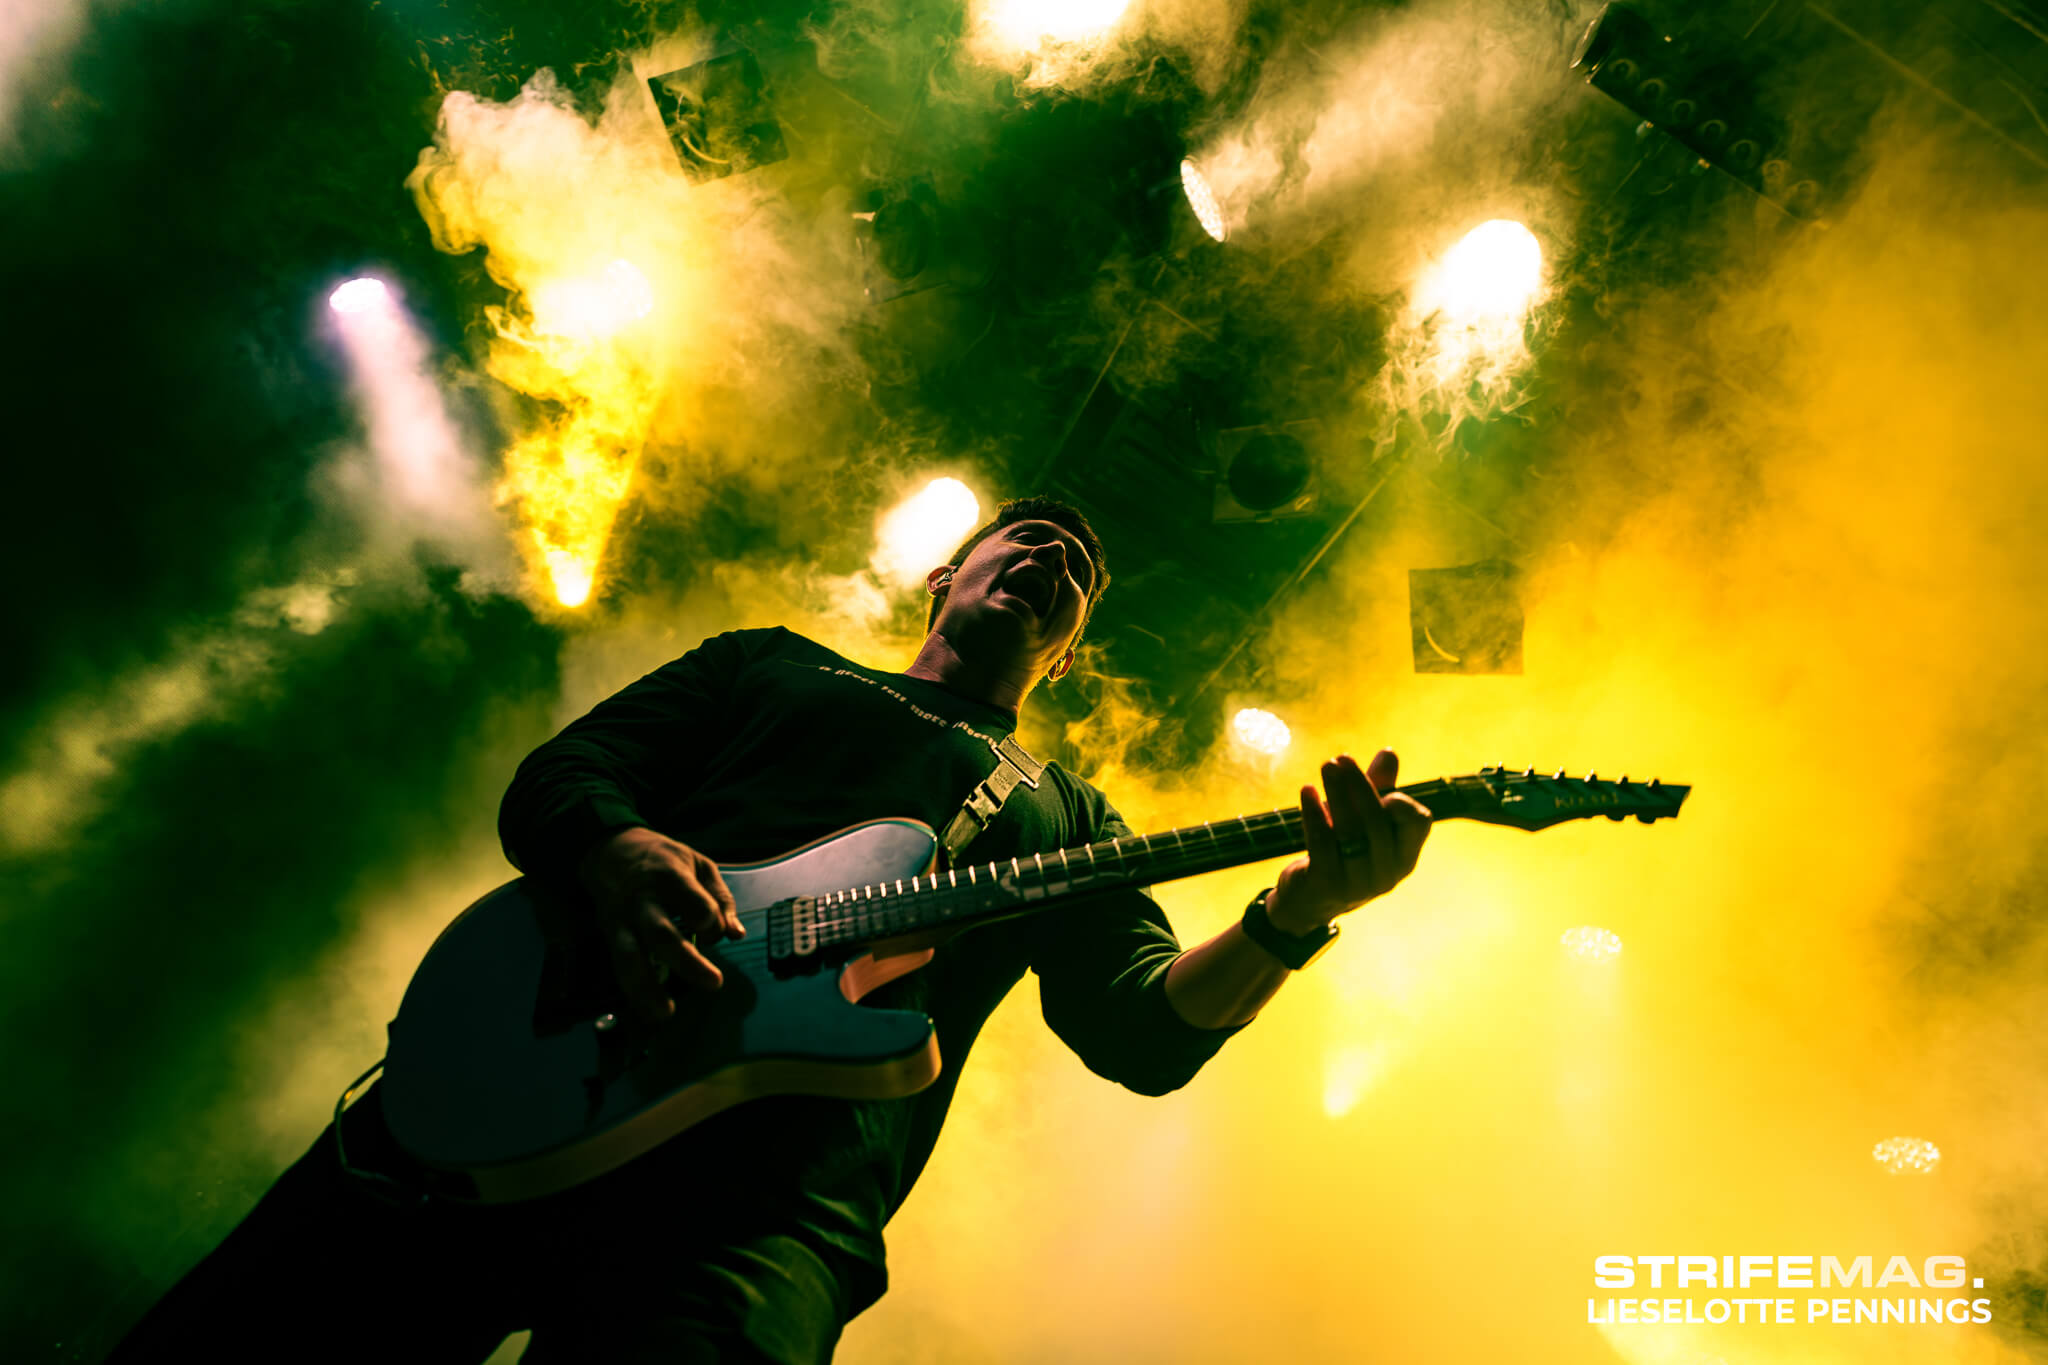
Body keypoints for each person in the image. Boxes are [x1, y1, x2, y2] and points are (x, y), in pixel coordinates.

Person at [107, 495, 1431, 1363]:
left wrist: (1298, 909)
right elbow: (562, 780)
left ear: (1070, 654)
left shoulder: (1065, 814)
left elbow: (1143, 1028)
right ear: (943, 576)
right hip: (508, 1081)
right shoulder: (767, 665)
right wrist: (619, 850)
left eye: (1079, 574)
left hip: (755, 1218)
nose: (1054, 562)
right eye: (1027, 538)